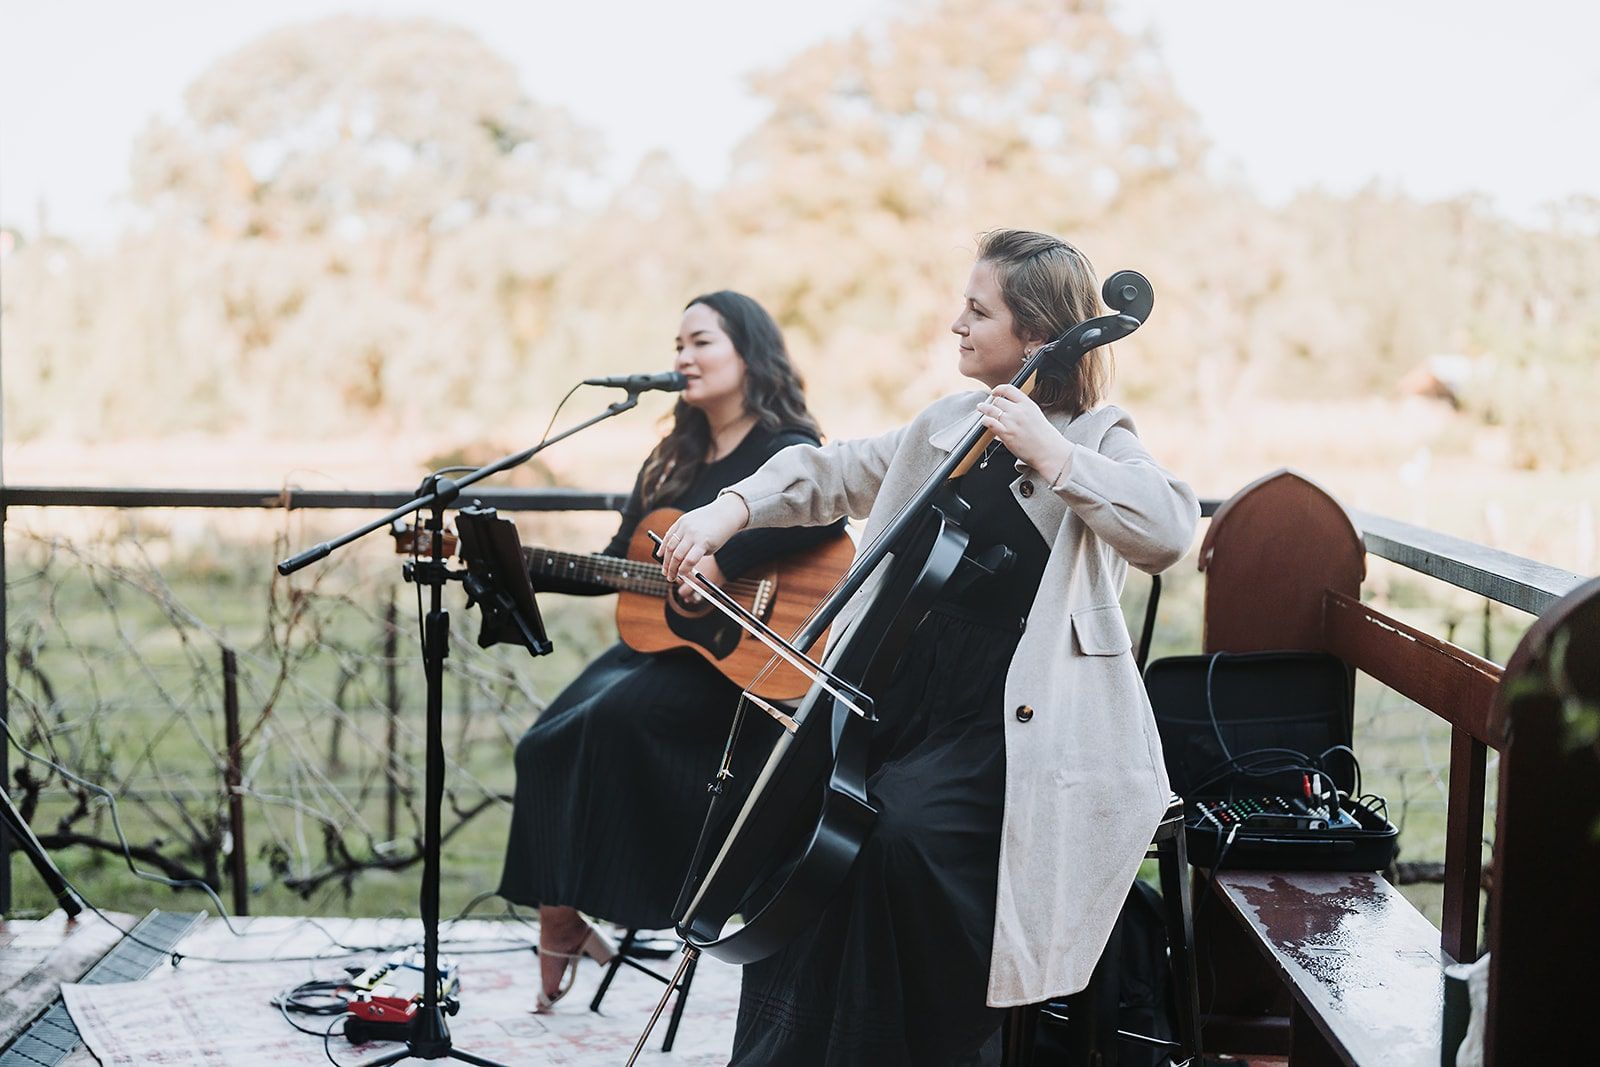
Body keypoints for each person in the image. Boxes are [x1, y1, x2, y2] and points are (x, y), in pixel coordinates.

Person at [660, 230, 1200, 1065]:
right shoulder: (948, 421)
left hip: (1014, 727)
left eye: (978, 310)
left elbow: (1167, 529)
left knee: (895, 838)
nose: (957, 323)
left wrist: (1052, 453)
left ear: (1037, 335)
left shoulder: (1095, 434)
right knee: (801, 830)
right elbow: (830, 470)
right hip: (901, 696)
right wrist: (729, 509)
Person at [498, 290, 843, 1011]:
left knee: (608, 723)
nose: (682, 357)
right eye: (677, 345)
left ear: (749, 352)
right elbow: (617, 561)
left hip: (738, 673)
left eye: (701, 342)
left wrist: (728, 552)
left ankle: (599, 897)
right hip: (663, 653)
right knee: (541, 744)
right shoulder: (672, 459)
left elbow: (824, 508)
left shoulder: (785, 447)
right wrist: (513, 562)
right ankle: (559, 905)